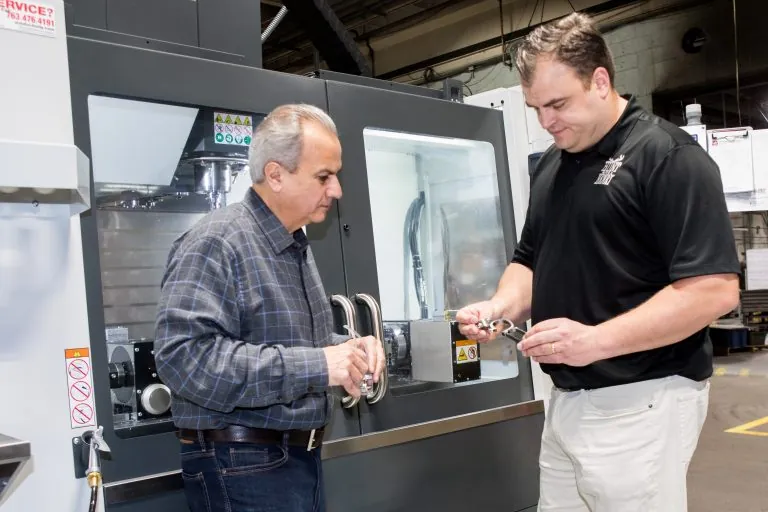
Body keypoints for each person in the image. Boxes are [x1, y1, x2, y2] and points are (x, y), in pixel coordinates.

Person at [456, 13, 740, 512]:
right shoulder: (554, 164)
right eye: (536, 108)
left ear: (601, 81)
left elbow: (713, 290)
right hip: (567, 398)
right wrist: (499, 306)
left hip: (643, 398)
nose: (546, 121)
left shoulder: (668, 157)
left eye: (558, 104)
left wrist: (592, 341)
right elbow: (529, 261)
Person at [154, 104, 385, 512]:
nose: (337, 191)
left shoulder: (292, 243)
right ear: (276, 174)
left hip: (293, 460)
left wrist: (349, 350)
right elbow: (185, 360)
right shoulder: (218, 242)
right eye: (323, 177)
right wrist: (319, 365)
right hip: (241, 465)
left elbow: (300, 344)